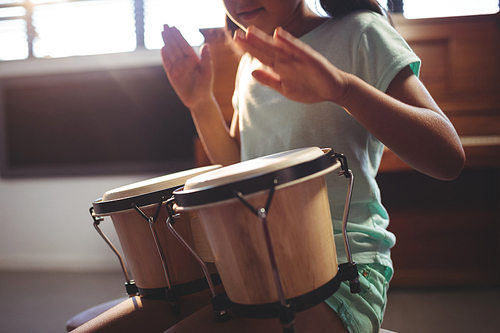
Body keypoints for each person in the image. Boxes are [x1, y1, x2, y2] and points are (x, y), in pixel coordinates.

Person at [160, 0, 466, 332]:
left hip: (343, 264)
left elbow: (448, 157)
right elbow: (241, 163)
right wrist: (200, 103)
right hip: (262, 262)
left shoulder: (360, 31)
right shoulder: (250, 61)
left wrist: (343, 90)